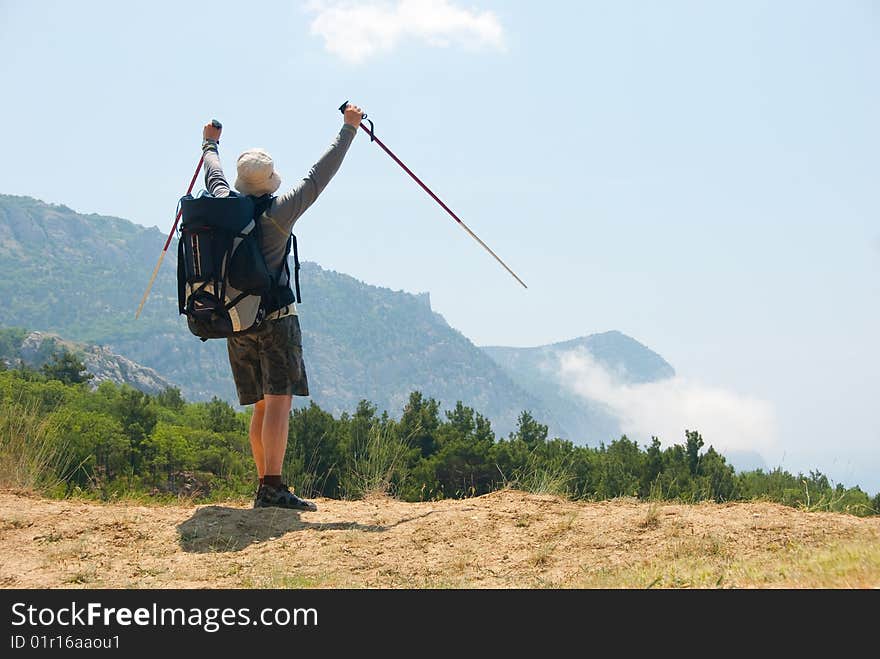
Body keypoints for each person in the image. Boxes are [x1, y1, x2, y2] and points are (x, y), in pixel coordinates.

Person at [200, 103, 364, 510]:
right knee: (278, 402)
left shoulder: (225, 202)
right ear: (270, 181)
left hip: (236, 319)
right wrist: (348, 129)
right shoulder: (280, 212)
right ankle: (272, 486)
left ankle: (264, 484)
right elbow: (319, 176)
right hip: (275, 321)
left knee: (259, 405)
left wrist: (209, 143)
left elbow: (213, 173)